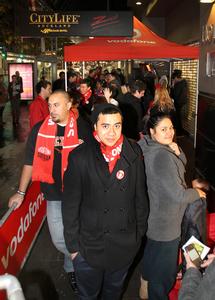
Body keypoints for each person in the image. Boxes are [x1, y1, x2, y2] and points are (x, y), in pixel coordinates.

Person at [8, 90, 92, 294]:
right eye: (50, 105)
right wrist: (20, 192)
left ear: (69, 104)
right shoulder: (39, 130)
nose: (51, 109)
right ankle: (81, 260)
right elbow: (29, 162)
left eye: (56, 105)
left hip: (81, 193)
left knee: (78, 232)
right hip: (54, 193)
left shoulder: (83, 127)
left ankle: (73, 268)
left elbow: (93, 160)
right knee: (59, 238)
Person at [62, 103, 149, 300]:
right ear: (95, 127)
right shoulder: (80, 156)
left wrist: (138, 236)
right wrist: (74, 248)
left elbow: (140, 197)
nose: (112, 132)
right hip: (88, 247)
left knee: (113, 294)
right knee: (87, 296)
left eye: (117, 126)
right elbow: (70, 205)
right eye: (105, 126)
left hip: (124, 246)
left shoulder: (132, 151)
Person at [138, 112, 206, 300]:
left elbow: (177, 169)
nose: (169, 132)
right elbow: (178, 194)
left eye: (171, 128)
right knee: (164, 277)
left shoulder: (153, 148)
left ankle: (144, 288)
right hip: (167, 226)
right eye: (163, 129)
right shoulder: (161, 156)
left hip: (156, 221)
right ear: (152, 131)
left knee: (152, 261)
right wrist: (197, 193)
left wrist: (176, 151)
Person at [170, 69, 188, 136]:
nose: (173, 80)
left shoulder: (178, 84)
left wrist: (172, 86)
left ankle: (179, 132)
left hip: (179, 103)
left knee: (178, 118)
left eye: (174, 79)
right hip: (182, 102)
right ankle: (180, 132)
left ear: (177, 78)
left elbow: (174, 95)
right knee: (179, 118)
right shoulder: (184, 82)